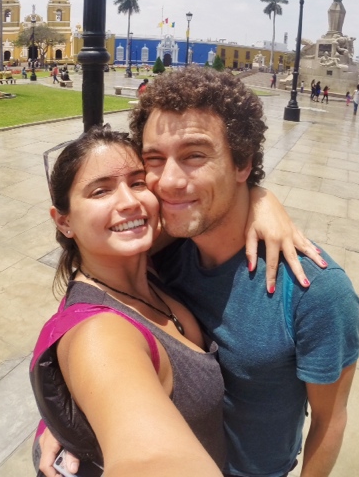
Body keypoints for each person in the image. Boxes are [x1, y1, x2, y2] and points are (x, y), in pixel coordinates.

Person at [39, 68, 359, 477]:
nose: (170, 182)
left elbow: (329, 419)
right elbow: (93, 299)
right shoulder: (164, 250)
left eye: (195, 156)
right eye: (154, 160)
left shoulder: (313, 290)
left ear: (242, 163)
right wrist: (69, 411)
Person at [32, 127, 225, 476]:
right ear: (64, 221)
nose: (129, 202)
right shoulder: (100, 336)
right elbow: (148, 460)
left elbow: (220, 204)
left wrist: (262, 204)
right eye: (100, 190)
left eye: (137, 183)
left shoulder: (149, 263)